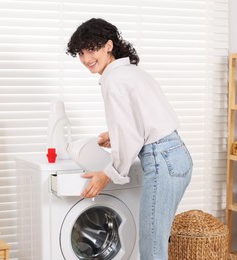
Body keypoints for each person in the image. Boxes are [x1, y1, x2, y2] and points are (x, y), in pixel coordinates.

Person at [66, 18, 193, 260]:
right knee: (156, 240)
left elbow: (132, 133)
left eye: (91, 49)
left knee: (152, 248)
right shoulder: (132, 72)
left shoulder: (114, 80)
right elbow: (145, 121)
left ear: (109, 46)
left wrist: (108, 174)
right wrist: (116, 135)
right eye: (81, 53)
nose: (86, 59)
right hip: (176, 156)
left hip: (161, 161)